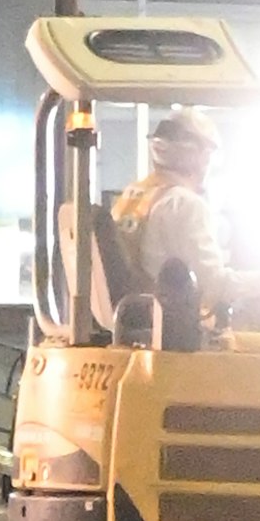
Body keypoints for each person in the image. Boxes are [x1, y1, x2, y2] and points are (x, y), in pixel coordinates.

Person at [109, 108, 227, 350]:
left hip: (134, 320)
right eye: (209, 152)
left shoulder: (135, 195)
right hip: (170, 331)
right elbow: (214, 284)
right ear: (197, 154)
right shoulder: (185, 204)